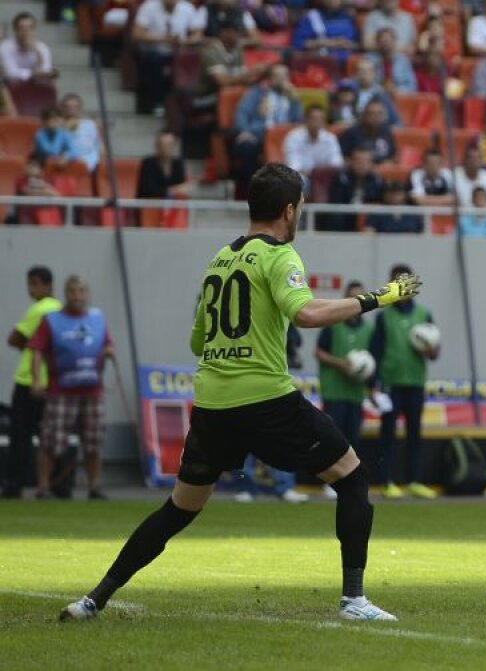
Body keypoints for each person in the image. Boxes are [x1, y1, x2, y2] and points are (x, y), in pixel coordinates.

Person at [59, 163, 422, 623]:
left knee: (178, 509)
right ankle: (354, 600)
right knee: (352, 478)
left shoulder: (221, 258)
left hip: (212, 405)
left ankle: (94, 598)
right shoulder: (279, 256)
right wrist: (378, 297)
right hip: (265, 398)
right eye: (301, 208)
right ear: (289, 210)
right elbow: (306, 315)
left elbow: (197, 341)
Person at [29, 276, 115, 500]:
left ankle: (94, 486)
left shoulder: (97, 319)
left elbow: (108, 343)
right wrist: (37, 380)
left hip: (92, 390)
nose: (77, 296)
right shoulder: (52, 320)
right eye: (72, 291)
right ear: (65, 294)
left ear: (87, 294)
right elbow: (36, 351)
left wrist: (108, 351)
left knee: (93, 441)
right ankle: (43, 487)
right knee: (51, 440)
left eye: (81, 291)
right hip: (61, 390)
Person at [370, 263, 439, 500]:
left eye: (404, 281)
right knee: (388, 434)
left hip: (415, 383)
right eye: (395, 282)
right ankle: (386, 481)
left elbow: (435, 352)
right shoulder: (383, 317)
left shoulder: (424, 315)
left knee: (414, 434)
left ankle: (414, 481)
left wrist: (430, 347)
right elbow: (376, 352)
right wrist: (373, 385)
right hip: (391, 384)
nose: (400, 286)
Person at [2, 267, 61, 499]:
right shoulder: (59, 310)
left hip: (28, 380)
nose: (31, 289)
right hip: (53, 381)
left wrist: (29, 347)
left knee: (21, 435)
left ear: (47, 285)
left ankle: (13, 484)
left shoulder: (40, 309)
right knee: (50, 436)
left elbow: (14, 338)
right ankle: (55, 484)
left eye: (35, 284)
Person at [315, 281, 374, 495]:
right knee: (334, 439)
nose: (356, 301)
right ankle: (330, 483)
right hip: (334, 392)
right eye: (352, 297)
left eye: (360, 297)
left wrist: (368, 377)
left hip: (355, 394)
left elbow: (372, 359)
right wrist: (341, 364)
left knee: (353, 438)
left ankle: (350, 482)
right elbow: (319, 352)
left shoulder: (368, 328)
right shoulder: (333, 324)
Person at [283, 106, 344, 177]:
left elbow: (336, 163)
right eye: (314, 119)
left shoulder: (330, 138)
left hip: (324, 177)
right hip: (302, 175)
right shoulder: (293, 137)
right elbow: (294, 166)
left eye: (321, 119)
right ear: (306, 119)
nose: (317, 122)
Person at [0, 12, 58, 83]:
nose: (26, 32)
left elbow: (45, 72)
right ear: (15, 30)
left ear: (35, 30)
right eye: (22, 28)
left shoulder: (42, 48)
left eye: (30, 28)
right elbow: (10, 73)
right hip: (11, 87)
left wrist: (37, 54)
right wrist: (33, 74)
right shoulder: (5, 47)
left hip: (36, 87)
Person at [137, 131, 191, 199]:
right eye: (164, 144)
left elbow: (182, 189)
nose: (168, 148)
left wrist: (178, 190)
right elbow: (149, 191)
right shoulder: (148, 163)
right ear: (157, 146)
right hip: (149, 206)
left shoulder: (178, 164)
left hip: (172, 206)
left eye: (170, 144)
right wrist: (172, 190)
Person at [60, 95, 103, 172]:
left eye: (75, 107)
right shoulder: (56, 126)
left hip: (90, 162)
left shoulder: (90, 124)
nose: (71, 110)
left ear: (80, 108)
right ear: (62, 108)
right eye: (68, 107)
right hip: (68, 162)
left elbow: (100, 148)